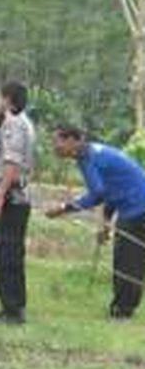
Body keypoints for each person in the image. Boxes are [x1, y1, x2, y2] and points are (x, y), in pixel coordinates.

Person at [46, 125, 145, 319]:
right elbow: (113, 187)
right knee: (131, 259)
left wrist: (64, 208)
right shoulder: (94, 153)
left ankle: (121, 312)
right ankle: (123, 308)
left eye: (57, 141)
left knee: (127, 262)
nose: (54, 147)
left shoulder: (88, 158)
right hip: (134, 205)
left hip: (137, 209)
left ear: (73, 140)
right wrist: (106, 221)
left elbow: (98, 194)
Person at [0, 82, 35, 325]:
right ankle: (11, 306)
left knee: (5, 254)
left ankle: (12, 310)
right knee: (9, 253)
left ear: (7, 99)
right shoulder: (15, 123)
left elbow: (12, 164)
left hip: (11, 199)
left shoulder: (14, 123)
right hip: (11, 196)